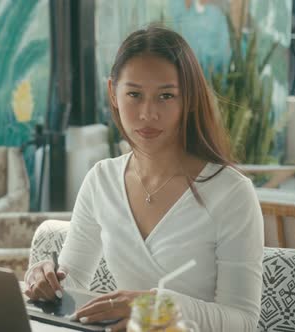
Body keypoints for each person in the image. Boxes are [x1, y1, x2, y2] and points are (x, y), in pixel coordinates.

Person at [24, 25, 264, 332]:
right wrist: (45, 279)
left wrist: (157, 308)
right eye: (134, 94)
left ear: (188, 99)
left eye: (166, 96)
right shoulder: (101, 180)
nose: (148, 113)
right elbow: (71, 282)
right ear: (113, 92)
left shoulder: (231, 193)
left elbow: (243, 321)